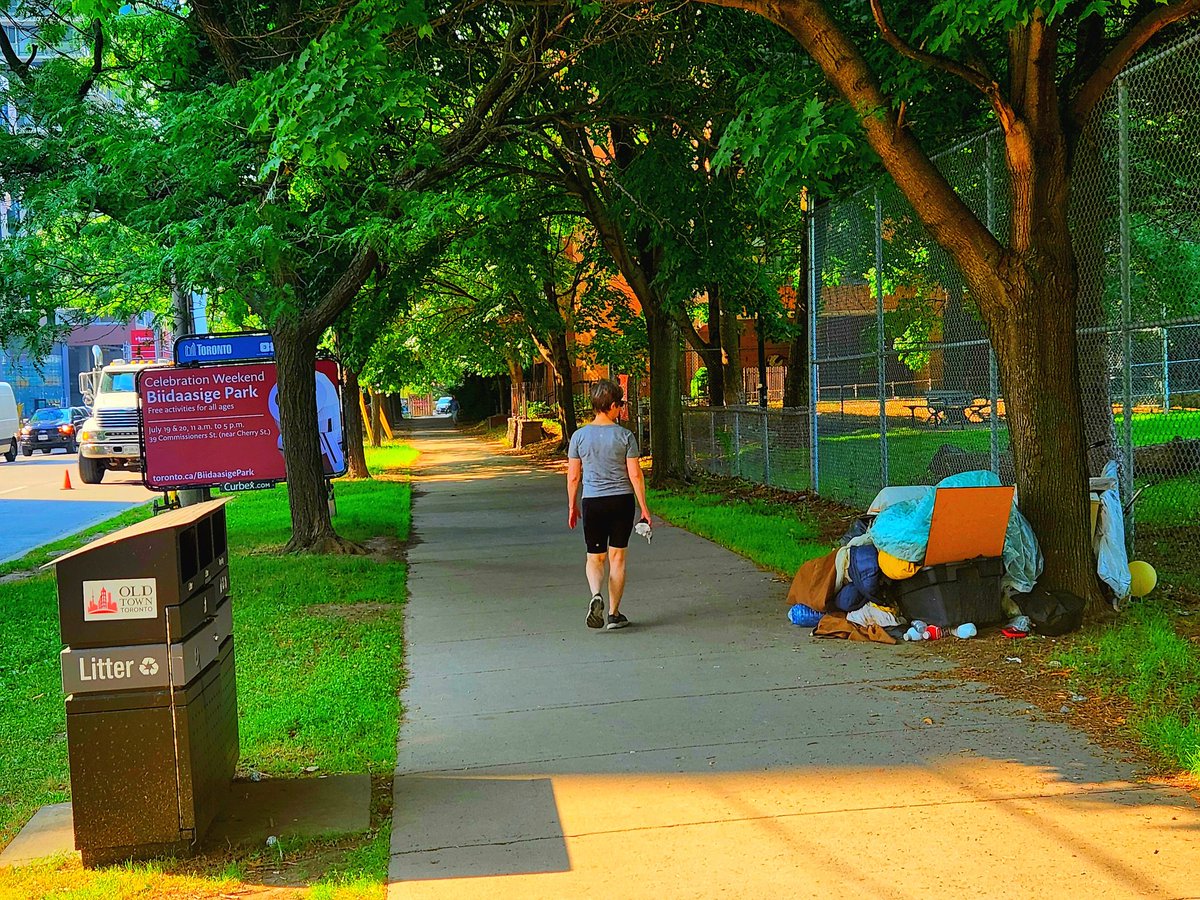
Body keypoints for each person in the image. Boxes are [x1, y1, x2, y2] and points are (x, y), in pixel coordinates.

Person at [567, 380, 650, 630]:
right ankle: (614, 614)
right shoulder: (625, 436)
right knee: (617, 558)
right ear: (613, 405)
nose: (621, 409)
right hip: (621, 502)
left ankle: (595, 594)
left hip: (592, 502)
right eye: (620, 405)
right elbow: (635, 475)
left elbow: (573, 476)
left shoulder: (579, 437)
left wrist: (572, 506)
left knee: (595, 557)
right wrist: (644, 508)